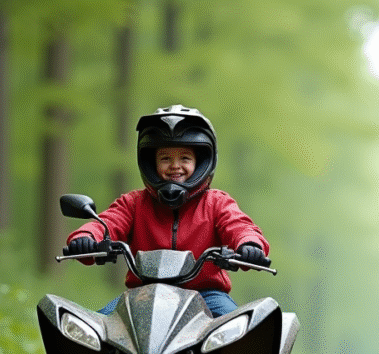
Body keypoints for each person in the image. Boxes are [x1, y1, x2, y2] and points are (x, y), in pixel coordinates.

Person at [66, 104, 270, 317]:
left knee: (241, 331)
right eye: (165, 158)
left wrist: (249, 244)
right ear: (150, 163)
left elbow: (239, 225)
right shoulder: (133, 203)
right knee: (96, 331)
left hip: (207, 295)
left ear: (201, 163)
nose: (175, 165)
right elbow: (109, 222)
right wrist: (86, 236)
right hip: (142, 295)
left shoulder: (217, 203)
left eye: (185, 158)